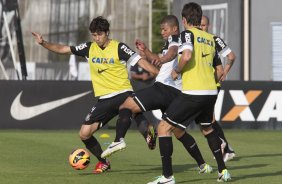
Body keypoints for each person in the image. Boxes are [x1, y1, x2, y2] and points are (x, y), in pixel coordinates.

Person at [31, 16, 159, 174]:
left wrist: (158, 74)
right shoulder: (89, 47)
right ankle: (104, 161)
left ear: (107, 33)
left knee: (132, 109)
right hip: (104, 99)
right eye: (94, 35)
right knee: (84, 134)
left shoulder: (119, 47)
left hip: (123, 92)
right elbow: (64, 49)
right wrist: (44, 43)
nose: (97, 38)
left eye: (99, 34)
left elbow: (140, 61)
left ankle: (146, 134)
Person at [101, 15, 213, 175]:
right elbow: (161, 58)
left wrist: (164, 58)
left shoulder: (176, 37)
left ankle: (118, 140)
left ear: (174, 28)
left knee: (126, 105)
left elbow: (172, 54)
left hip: (163, 88)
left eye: (164, 29)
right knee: (177, 132)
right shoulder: (178, 41)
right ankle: (203, 164)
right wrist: (146, 51)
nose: (162, 32)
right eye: (161, 29)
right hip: (176, 93)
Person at [146, 3, 231, 183]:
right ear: (199, 19)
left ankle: (167, 177)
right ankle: (223, 172)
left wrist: (177, 70)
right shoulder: (209, 38)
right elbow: (219, 68)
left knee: (163, 127)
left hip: (193, 92)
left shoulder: (186, 34)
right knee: (208, 129)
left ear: (184, 20)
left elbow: (186, 56)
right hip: (210, 92)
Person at [201, 15, 236, 162]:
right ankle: (227, 148)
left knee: (208, 118)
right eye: (199, 25)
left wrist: (225, 72)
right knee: (208, 118)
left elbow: (232, 56)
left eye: (203, 25)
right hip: (202, 84)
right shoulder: (198, 40)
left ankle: (223, 145)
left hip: (212, 84)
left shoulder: (214, 40)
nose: (201, 28)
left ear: (208, 26)